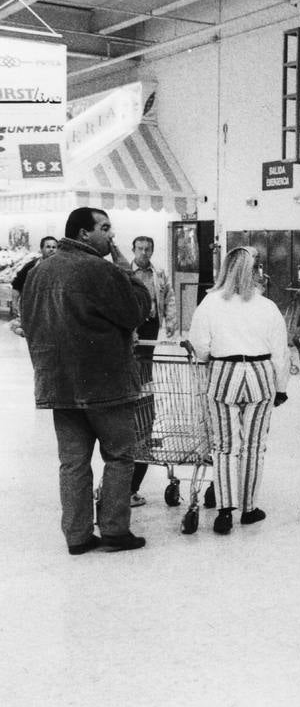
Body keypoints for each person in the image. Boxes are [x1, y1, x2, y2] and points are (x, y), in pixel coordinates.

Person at [21, 207, 150, 554]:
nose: (111, 234)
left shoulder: (38, 271)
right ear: (82, 233)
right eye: (104, 228)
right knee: (120, 456)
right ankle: (114, 530)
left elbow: (28, 322)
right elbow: (137, 311)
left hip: (58, 384)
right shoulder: (102, 270)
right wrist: (127, 271)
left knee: (73, 462)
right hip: (105, 384)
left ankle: (77, 536)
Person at [186, 247, 290, 534]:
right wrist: (280, 388)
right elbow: (280, 353)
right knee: (254, 446)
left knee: (224, 446)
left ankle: (224, 512)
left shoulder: (209, 303)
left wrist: (213, 357)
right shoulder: (267, 306)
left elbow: (201, 347)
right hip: (260, 375)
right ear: (254, 272)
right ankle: (249, 509)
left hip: (223, 374)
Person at [127, 235, 178, 507]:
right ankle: (136, 384)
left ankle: (143, 381)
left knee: (146, 360)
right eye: (140, 248)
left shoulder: (158, 273)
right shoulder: (126, 273)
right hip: (132, 325)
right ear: (133, 250)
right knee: (134, 359)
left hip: (151, 325)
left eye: (148, 248)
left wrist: (171, 324)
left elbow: (168, 298)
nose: (144, 252)